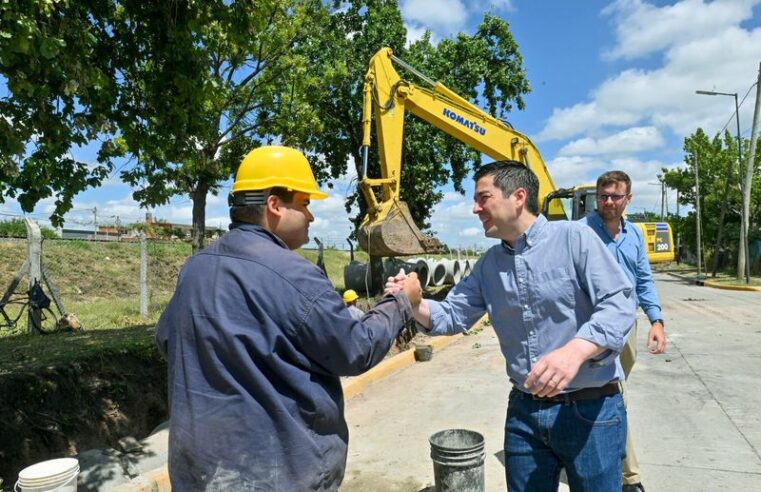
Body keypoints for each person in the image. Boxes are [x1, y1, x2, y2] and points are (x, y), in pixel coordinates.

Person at [155, 145, 422, 491]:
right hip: (277, 476)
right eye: (305, 203)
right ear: (275, 205)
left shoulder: (195, 269)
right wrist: (402, 301)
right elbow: (356, 348)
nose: (311, 216)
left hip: (202, 474)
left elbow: (168, 340)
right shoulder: (293, 274)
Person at [386, 160, 636, 491]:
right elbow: (452, 314)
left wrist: (576, 350)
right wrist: (415, 303)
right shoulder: (490, 265)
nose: (475, 208)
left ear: (518, 196)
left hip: (591, 410)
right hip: (525, 411)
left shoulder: (575, 239)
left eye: (483, 197)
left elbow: (619, 304)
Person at [580, 170, 667, 492]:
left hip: (626, 326)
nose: (608, 202)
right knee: (614, 393)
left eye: (616, 196)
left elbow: (643, 280)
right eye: (603, 196)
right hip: (590, 327)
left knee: (606, 395)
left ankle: (591, 453)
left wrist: (656, 321)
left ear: (627, 199)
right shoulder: (580, 232)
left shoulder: (634, 236)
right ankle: (630, 478)